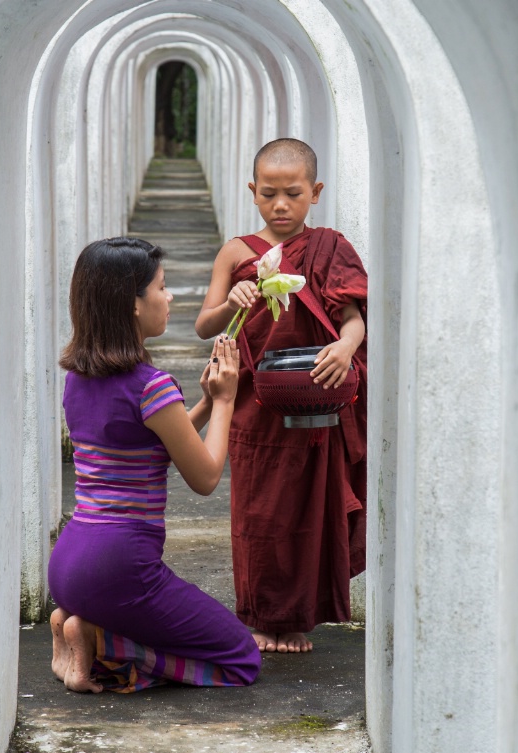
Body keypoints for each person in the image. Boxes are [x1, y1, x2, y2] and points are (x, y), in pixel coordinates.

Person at [48, 236, 260, 694]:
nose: (170, 297)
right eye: (161, 288)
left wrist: (201, 403)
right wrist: (225, 401)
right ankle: (102, 642)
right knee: (241, 658)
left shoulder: (78, 380)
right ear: (133, 306)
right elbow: (204, 477)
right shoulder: (152, 385)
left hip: (68, 566)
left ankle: (74, 627)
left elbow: (151, 444)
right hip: (120, 568)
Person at [194, 138, 368, 654]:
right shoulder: (236, 251)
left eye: (293, 193)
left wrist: (346, 346)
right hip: (255, 402)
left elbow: (352, 317)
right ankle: (258, 615)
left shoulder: (329, 247)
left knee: (308, 510)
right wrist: (231, 300)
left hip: (316, 398)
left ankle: (297, 619)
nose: (281, 205)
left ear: (315, 192)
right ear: (253, 192)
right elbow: (204, 325)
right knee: (258, 513)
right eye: (269, 194)